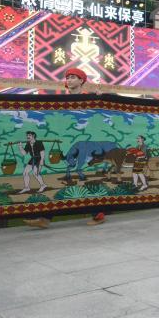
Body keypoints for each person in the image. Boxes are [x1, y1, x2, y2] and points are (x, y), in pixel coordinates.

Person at [23, 68, 106, 228]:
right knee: (68, 183)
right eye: (68, 77)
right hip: (70, 145)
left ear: (81, 80)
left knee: (82, 181)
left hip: (86, 146)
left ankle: (98, 214)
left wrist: (100, 98)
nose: (69, 80)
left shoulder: (91, 99)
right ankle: (46, 218)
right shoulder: (61, 102)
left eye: (73, 77)